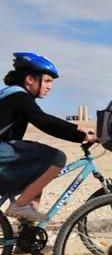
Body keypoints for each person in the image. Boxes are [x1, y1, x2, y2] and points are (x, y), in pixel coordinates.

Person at [0, 52, 96, 222]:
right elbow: (44, 121)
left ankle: (26, 238)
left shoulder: (11, 96)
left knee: (37, 177)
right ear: (30, 79)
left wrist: (76, 128)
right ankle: (20, 206)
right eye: (47, 81)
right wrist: (80, 135)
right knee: (56, 157)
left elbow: (44, 118)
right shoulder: (18, 96)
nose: (50, 87)